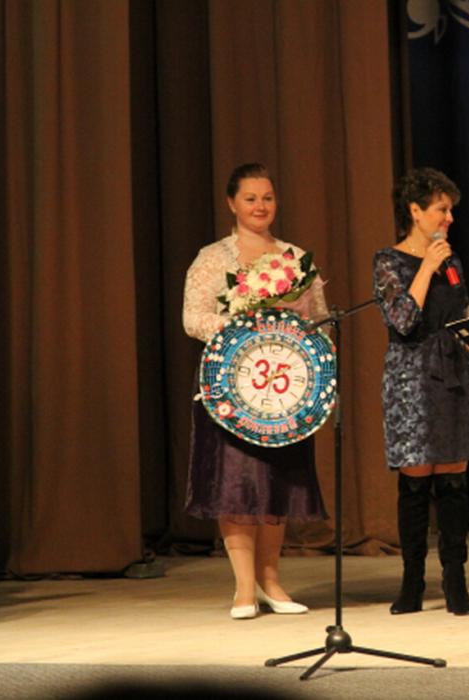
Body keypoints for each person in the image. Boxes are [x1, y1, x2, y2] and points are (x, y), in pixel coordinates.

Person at [183, 163, 328, 619]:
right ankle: (244, 587)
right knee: (237, 483)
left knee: (277, 481)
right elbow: (193, 318)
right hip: (231, 385)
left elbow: (318, 321)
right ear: (232, 203)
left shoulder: (295, 258)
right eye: (250, 198)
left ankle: (272, 580)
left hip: (285, 387)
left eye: (267, 197)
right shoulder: (213, 258)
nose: (260, 206)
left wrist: (296, 339)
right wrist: (243, 326)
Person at [374, 167, 469, 616]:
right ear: (415, 210)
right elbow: (403, 320)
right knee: (415, 482)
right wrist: (427, 266)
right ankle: (412, 582)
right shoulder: (388, 261)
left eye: (450, 210)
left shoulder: (453, 261)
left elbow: (456, 320)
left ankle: (456, 582)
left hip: (453, 374)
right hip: (411, 379)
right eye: (441, 209)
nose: (449, 218)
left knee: (453, 481)